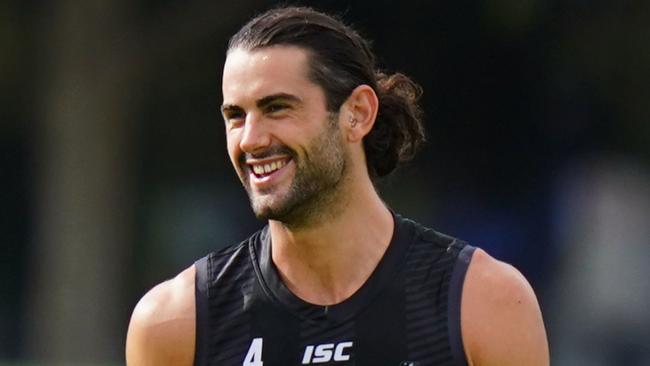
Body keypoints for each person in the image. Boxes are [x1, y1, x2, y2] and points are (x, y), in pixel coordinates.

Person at [126, 6, 549, 366]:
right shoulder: (177, 325)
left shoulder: (483, 303)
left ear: (358, 113)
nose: (251, 139)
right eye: (236, 115)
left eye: (277, 108)